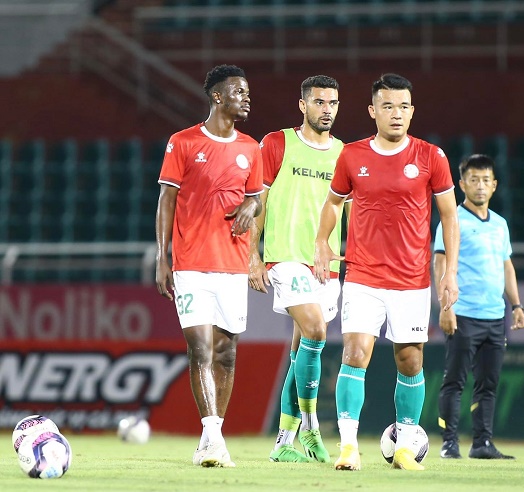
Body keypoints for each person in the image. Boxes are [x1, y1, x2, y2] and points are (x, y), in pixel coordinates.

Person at [314, 73, 460, 472]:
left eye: (404, 107)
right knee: (354, 353)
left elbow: (450, 216)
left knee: (410, 360)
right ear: (372, 111)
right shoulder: (352, 155)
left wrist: (450, 272)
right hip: (363, 276)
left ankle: (405, 447)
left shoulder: (431, 156)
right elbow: (333, 202)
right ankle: (348, 447)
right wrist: (322, 241)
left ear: (412, 112)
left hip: (412, 281)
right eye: (388, 106)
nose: (397, 114)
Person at [155, 64, 263, 468]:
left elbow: (256, 198)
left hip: (232, 264)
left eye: (247, 92)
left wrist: (252, 206)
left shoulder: (251, 148)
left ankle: (211, 437)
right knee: (199, 348)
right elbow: (166, 200)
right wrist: (162, 256)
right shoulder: (183, 142)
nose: (247, 98)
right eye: (239, 91)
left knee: (226, 353)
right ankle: (213, 437)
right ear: (218, 96)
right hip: (191, 264)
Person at [248, 75, 350, 463]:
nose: (327, 109)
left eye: (333, 103)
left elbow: (353, 212)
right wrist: (252, 255)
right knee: (316, 329)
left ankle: (283, 443)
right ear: (303, 105)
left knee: (302, 351)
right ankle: (311, 427)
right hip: (286, 256)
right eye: (319, 102)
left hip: (324, 264)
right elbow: (257, 202)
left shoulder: (343, 153)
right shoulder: (277, 143)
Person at [433, 153, 524, 460]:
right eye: (474, 180)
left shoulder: (500, 224)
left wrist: (516, 305)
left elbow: (506, 266)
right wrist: (445, 307)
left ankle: (482, 443)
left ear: (495, 185)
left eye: (486, 180)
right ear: (462, 184)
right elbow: (440, 263)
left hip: (494, 316)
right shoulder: (453, 221)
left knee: (488, 384)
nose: (480, 186)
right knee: (455, 381)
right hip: (463, 314)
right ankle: (449, 443)